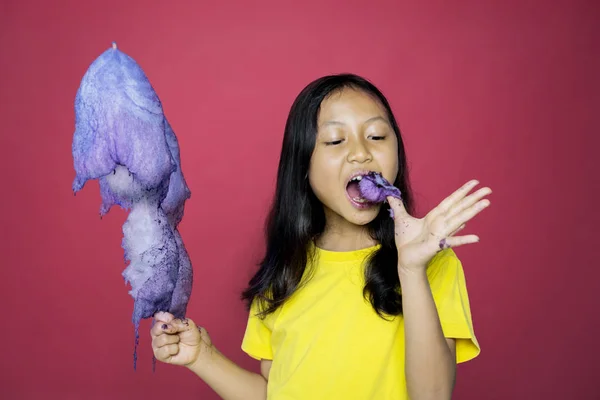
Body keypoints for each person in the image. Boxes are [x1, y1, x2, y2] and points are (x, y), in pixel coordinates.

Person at [151, 74, 491, 399]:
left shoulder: (433, 263)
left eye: (376, 136)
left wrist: (412, 270)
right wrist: (202, 358)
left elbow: (432, 396)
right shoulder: (283, 274)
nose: (361, 153)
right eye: (335, 140)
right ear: (304, 166)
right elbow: (277, 392)